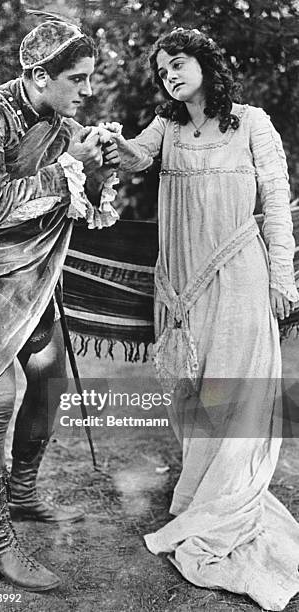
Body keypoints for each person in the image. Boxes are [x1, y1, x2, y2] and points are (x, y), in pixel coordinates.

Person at [101, 28, 299, 611]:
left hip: (239, 271)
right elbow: (138, 155)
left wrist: (282, 281)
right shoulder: (168, 128)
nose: (170, 76)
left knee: (238, 390)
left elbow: (277, 207)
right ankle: (202, 492)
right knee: (195, 391)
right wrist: (113, 146)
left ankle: (229, 499)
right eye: (162, 71)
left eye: (178, 64)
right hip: (182, 283)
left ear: (207, 64)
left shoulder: (252, 122)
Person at [0, 20, 120, 592]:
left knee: (48, 377)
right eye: (76, 79)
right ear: (37, 75)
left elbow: (79, 208)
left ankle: (22, 496)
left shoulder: (60, 124)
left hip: (29, 276)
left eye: (89, 79)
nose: (86, 91)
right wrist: (66, 165)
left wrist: (98, 168)